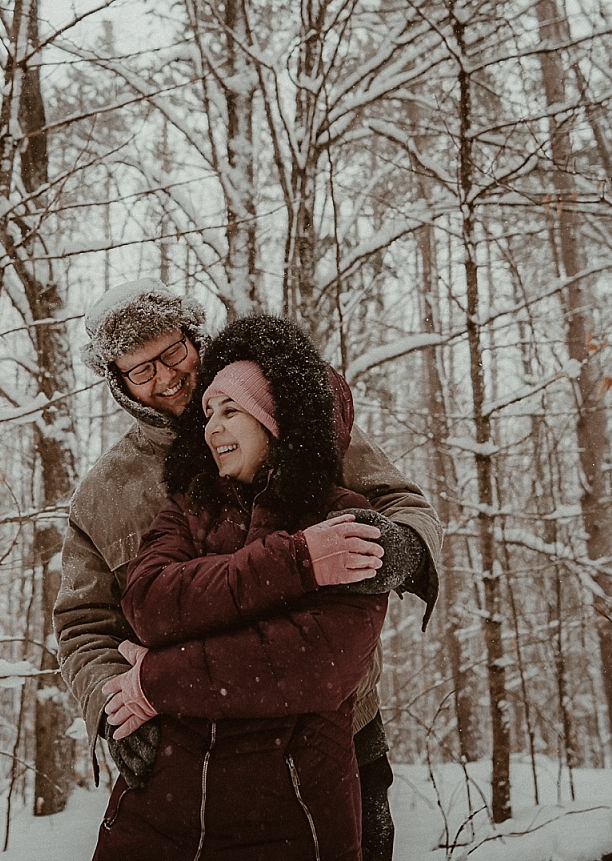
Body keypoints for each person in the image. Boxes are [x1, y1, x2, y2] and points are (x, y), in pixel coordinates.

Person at [57, 280, 442, 860]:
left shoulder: (287, 415)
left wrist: (400, 546)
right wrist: (110, 706)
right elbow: (84, 623)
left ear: (194, 337)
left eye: (173, 353)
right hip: (187, 758)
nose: (166, 378)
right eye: (141, 371)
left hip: (332, 741)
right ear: (118, 381)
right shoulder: (107, 492)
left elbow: (403, 504)